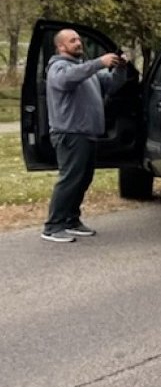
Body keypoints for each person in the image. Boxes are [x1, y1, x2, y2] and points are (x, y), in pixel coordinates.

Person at [41, 29, 125, 243]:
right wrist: (98, 62)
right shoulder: (58, 67)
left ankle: (71, 220)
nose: (78, 43)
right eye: (72, 40)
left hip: (87, 133)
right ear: (61, 47)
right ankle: (53, 226)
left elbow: (113, 85)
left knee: (82, 179)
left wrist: (120, 68)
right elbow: (66, 81)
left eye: (79, 39)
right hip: (70, 133)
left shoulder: (84, 68)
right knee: (70, 179)